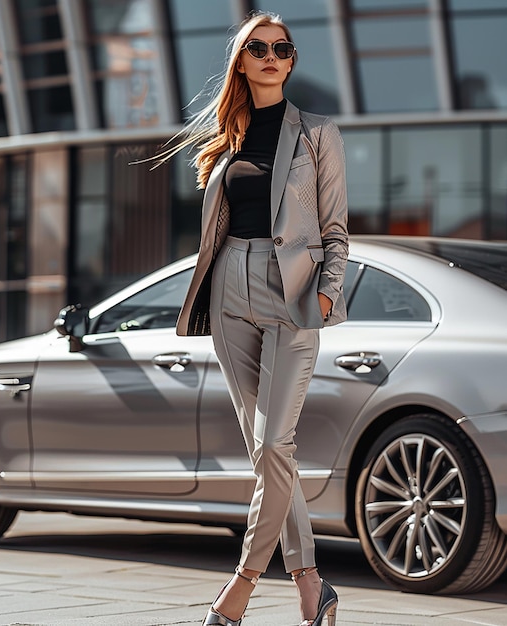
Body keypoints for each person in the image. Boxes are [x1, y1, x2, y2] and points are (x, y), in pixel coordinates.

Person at [161, 10, 348, 625]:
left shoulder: (318, 132)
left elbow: (335, 230)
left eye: (283, 48)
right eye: (259, 48)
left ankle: (240, 587)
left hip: (291, 294)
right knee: (268, 456)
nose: (272, 55)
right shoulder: (227, 140)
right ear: (241, 60)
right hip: (230, 294)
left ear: (291, 61)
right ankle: (311, 586)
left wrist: (325, 296)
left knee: (275, 442)